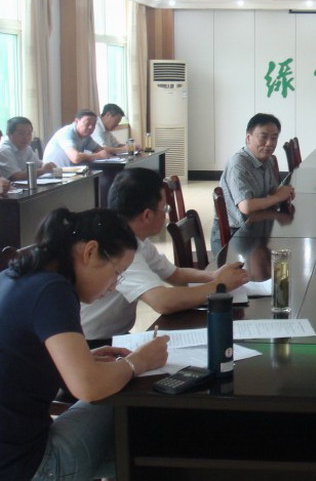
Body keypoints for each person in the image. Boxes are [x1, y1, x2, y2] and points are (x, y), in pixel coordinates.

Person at [0, 207, 168, 480]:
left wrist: (83, 358)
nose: (114, 286)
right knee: (140, 416)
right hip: (30, 467)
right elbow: (88, 387)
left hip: (11, 459)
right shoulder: (53, 289)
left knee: (131, 437)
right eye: (117, 272)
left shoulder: (14, 275)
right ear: (90, 251)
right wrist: (137, 362)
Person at [81, 168, 249, 342]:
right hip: (94, 343)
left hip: (116, 336)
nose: (166, 213)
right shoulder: (120, 250)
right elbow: (163, 302)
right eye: (165, 208)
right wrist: (219, 285)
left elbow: (175, 274)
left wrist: (213, 275)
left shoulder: (135, 238)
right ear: (147, 215)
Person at [213, 113, 296, 252]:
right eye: (263, 137)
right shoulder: (238, 164)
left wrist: (283, 191)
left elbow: (271, 189)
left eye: (274, 138)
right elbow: (246, 206)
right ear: (248, 138)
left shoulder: (267, 160)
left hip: (255, 225)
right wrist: (278, 197)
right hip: (234, 234)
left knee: (287, 249)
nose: (269, 143)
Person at [42, 110, 114, 167]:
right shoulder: (66, 133)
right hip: (54, 174)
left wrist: (101, 153)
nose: (91, 127)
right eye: (87, 123)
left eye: (93, 125)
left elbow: (100, 150)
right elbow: (75, 158)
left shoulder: (86, 136)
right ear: (76, 121)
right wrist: (98, 155)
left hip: (71, 172)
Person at [0, 116, 57, 181]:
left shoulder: (26, 147)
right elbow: (16, 176)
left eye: (29, 133)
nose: (26, 138)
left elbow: (38, 165)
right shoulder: (4, 150)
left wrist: (47, 166)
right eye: (21, 133)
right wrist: (43, 170)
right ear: (9, 134)